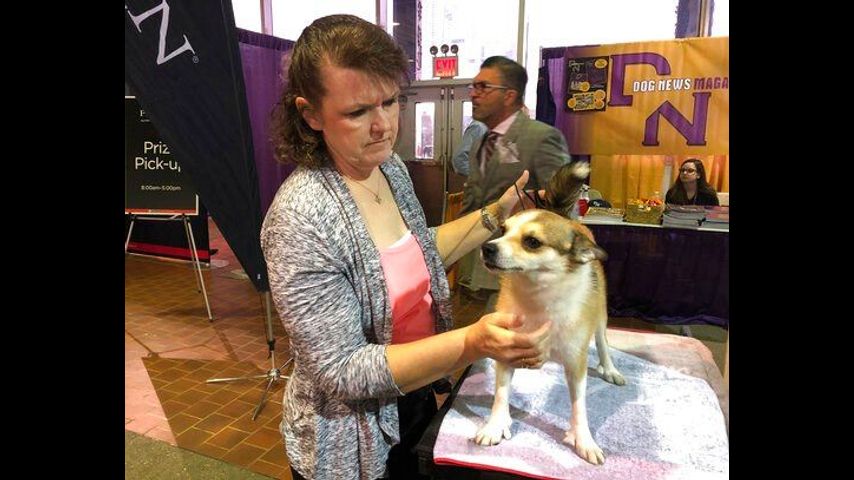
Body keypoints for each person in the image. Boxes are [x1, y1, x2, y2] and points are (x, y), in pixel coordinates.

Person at [261, 15, 551, 480]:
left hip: (412, 395)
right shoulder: (301, 218)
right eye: (357, 112)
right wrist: (471, 341)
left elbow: (412, 253)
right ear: (310, 114)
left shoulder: (387, 167)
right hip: (350, 438)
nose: (382, 126)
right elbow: (342, 370)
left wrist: (497, 213)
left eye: (391, 102)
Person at [457, 56, 570, 307]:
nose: (474, 94)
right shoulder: (480, 142)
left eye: (483, 87)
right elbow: (474, 199)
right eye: (473, 87)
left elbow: (563, 207)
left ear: (509, 96)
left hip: (519, 266)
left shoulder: (542, 137)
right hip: (481, 260)